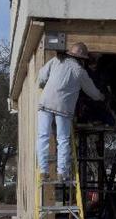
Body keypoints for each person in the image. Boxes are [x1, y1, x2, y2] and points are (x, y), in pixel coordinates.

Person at [37, 42, 105, 181]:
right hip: (63, 108)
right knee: (62, 139)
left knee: (43, 136)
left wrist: (42, 84)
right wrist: (102, 96)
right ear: (82, 58)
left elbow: (42, 76)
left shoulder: (56, 60)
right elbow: (92, 92)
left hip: (45, 103)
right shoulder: (80, 71)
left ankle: (43, 171)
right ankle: (62, 173)